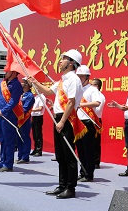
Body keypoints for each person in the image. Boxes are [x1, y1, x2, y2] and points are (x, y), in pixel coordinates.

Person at [29, 49, 84, 199]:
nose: (60, 61)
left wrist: (62, 121)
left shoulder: (73, 79)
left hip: (67, 119)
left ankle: (70, 188)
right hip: (59, 118)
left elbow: (71, 102)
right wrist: (35, 82)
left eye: (63, 59)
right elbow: (47, 91)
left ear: (71, 63)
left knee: (69, 155)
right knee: (60, 155)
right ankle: (62, 185)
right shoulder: (62, 80)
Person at [76, 65, 102, 182]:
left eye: (81, 76)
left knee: (88, 150)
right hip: (78, 122)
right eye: (78, 76)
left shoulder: (92, 90)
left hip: (88, 122)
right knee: (80, 150)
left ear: (87, 77)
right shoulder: (77, 89)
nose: (79, 78)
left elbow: (97, 103)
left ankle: (89, 174)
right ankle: (82, 172)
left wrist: (82, 104)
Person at [16, 79, 35, 164]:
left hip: (25, 120)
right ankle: (20, 156)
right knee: (19, 138)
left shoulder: (30, 96)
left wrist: (16, 112)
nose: (21, 83)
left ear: (27, 85)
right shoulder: (20, 94)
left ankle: (25, 157)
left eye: (23, 82)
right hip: (18, 119)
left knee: (25, 138)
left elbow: (25, 108)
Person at [90, 78, 105, 169]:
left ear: (97, 86)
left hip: (96, 120)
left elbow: (97, 109)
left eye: (92, 84)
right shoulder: (92, 94)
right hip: (89, 119)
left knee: (95, 142)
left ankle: (96, 162)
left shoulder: (100, 96)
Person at [30, 90, 47, 157]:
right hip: (34, 116)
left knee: (38, 134)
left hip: (38, 117)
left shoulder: (42, 97)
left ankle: (39, 150)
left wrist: (31, 110)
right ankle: (35, 149)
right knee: (34, 134)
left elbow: (40, 108)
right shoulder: (36, 97)